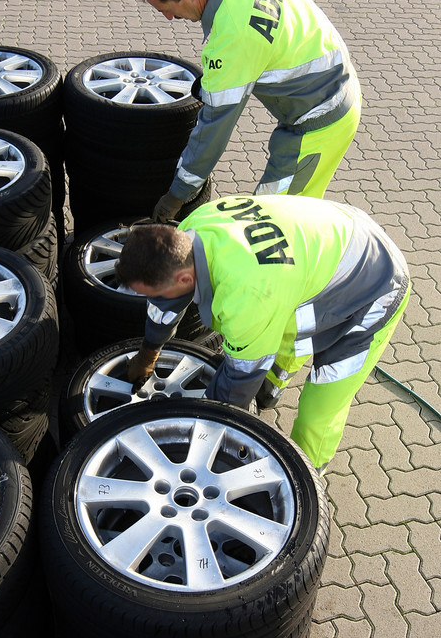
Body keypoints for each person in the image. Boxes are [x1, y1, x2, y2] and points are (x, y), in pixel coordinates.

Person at [116, 194, 410, 474]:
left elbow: (236, 384)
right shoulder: (194, 227)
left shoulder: (247, 296)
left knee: (321, 404)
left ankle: (307, 479)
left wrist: (202, 441)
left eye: (151, 293)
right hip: (335, 238)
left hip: (375, 284)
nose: (152, 300)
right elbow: (166, 301)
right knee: (277, 332)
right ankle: (270, 389)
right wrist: (148, 353)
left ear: (184, 278)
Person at [135, 0, 362, 222]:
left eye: (166, 10)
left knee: (271, 224)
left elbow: (212, 134)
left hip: (321, 122)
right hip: (335, 81)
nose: (170, 18)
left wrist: (176, 196)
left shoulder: (231, 42)